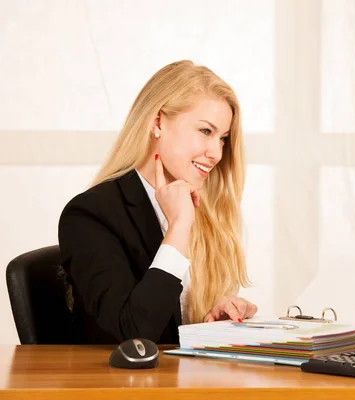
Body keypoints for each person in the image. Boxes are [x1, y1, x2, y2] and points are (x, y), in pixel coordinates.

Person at [58, 60, 258, 344]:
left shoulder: (202, 206)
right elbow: (133, 336)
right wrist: (178, 227)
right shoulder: (91, 215)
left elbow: (170, 331)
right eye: (205, 131)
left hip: (180, 383)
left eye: (223, 138)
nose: (216, 152)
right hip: (122, 387)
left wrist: (210, 322)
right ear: (157, 122)